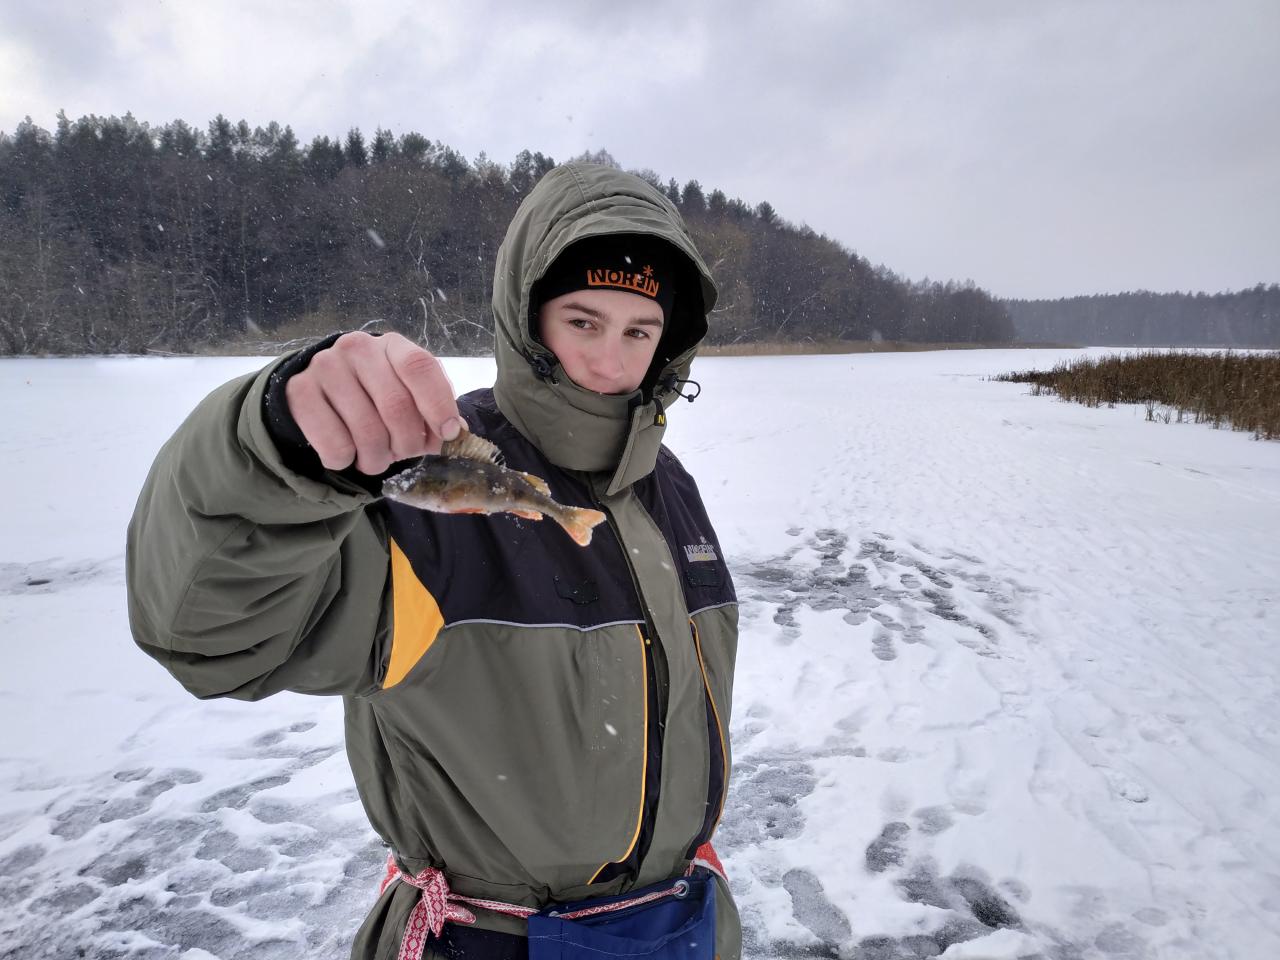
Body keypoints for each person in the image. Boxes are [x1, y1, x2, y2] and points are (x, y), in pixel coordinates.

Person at [127, 163, 740, 960]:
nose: (610, 363)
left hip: (684, 925)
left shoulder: (669, 486)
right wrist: (273, 446)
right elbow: (211, 635)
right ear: (527, 320)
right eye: (583, 321)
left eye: (639, 331)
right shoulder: (415, 466)